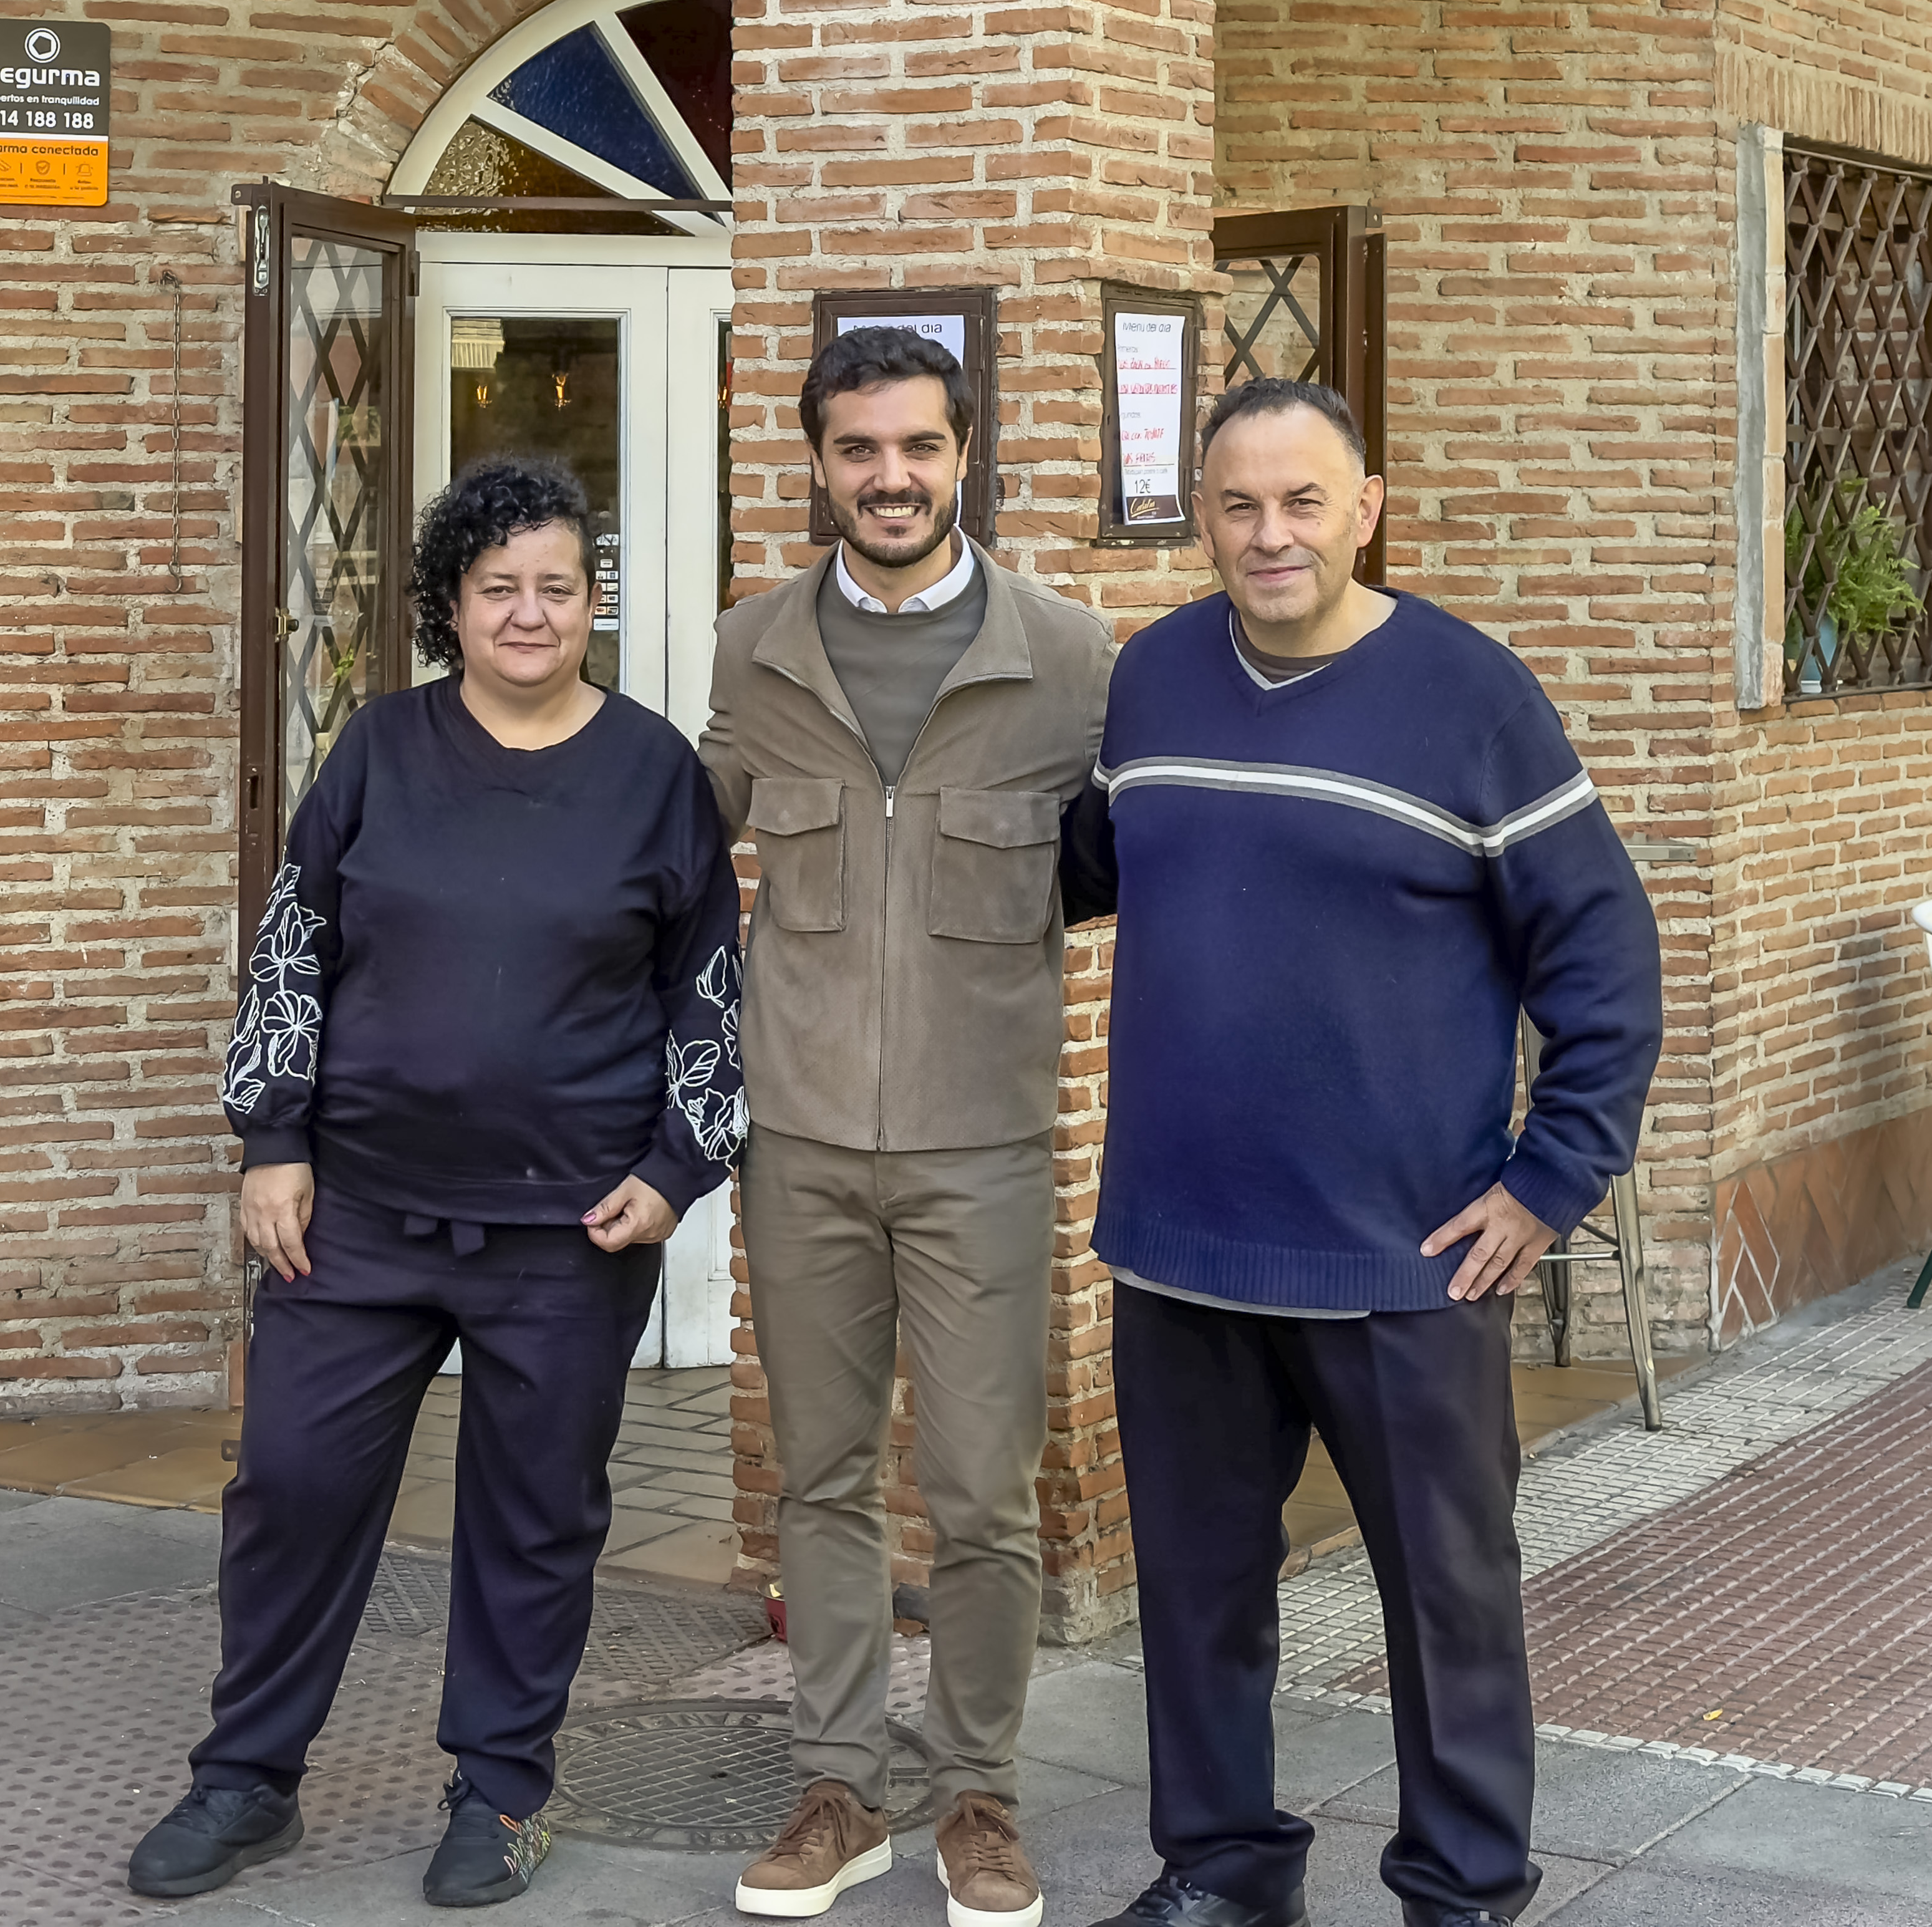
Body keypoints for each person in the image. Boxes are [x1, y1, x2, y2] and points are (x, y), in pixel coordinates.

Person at [1060, 377, 1662, 1927]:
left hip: (1403, 1255)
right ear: (1200, 516)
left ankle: (1460, 1892)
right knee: (1196, 1596)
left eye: (1302, 502)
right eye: (1237, 505)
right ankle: (1221, 1872)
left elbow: (1601, 956)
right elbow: (1075, 867)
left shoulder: (1470, 697)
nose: (1269, 536)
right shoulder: (1149, 679)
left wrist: (1550, 1178)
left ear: (1366, 507)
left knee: (1449, 1602)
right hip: (1179, 1244)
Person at [128, 456, 748, 1909]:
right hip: (357, 1212)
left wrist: (678, 1168)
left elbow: (710, 987)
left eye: (556, 587)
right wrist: (270, 1141)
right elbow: (293, 946)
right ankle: (246, 1780)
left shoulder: (653, 769)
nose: (528, 614)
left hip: (572, 1227)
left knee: (533, 1514)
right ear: (449, 608)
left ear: (592, 603)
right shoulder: (379, 752)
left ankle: (502, 1788)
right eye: (497, 589)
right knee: (288, 1483)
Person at [698, 325, 1109, 1927]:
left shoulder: (1073, 659)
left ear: (964, 457)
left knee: (984, 1490)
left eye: (919, 447)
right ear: (816, 462)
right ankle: (837, 1785)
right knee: (819, 1476)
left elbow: (1152, 868)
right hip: (794, 1143)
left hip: (982, 1145)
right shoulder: (750, 651)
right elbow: (668, 874)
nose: (890, 478)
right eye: (858, 450)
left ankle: (977, 1794)